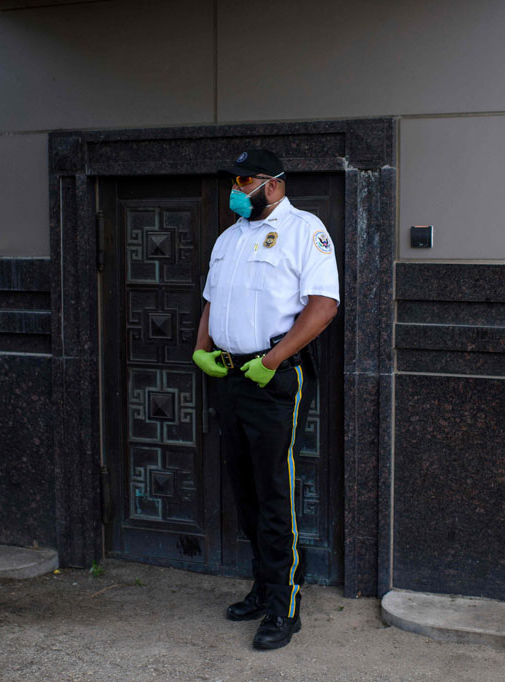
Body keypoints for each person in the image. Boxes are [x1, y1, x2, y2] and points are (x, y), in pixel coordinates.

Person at [192, 149, 340, 650]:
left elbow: (324, 306)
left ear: (271, 185)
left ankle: (285, 605)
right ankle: (263, 587)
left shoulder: (304, 230)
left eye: (243, 180)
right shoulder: (229, 238)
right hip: (231, 375)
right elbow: (211, 300)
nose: (235, 190)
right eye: (233, 181)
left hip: (273, 378)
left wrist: (273, 360)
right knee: (247, 489)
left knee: (276, 493)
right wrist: (200, 349)